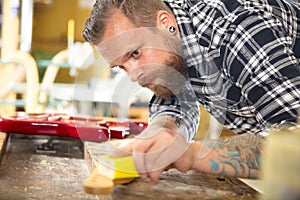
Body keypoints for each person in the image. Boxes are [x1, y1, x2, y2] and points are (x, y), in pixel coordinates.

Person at [82, 0, 300, 184]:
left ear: (164, 23)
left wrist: (190, 154)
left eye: (135, 53)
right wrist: (163, 129)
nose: (133, 75)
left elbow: (294, 146)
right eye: (121, 66)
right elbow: (174, 96)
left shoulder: (238, 32)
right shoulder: (176, 37)